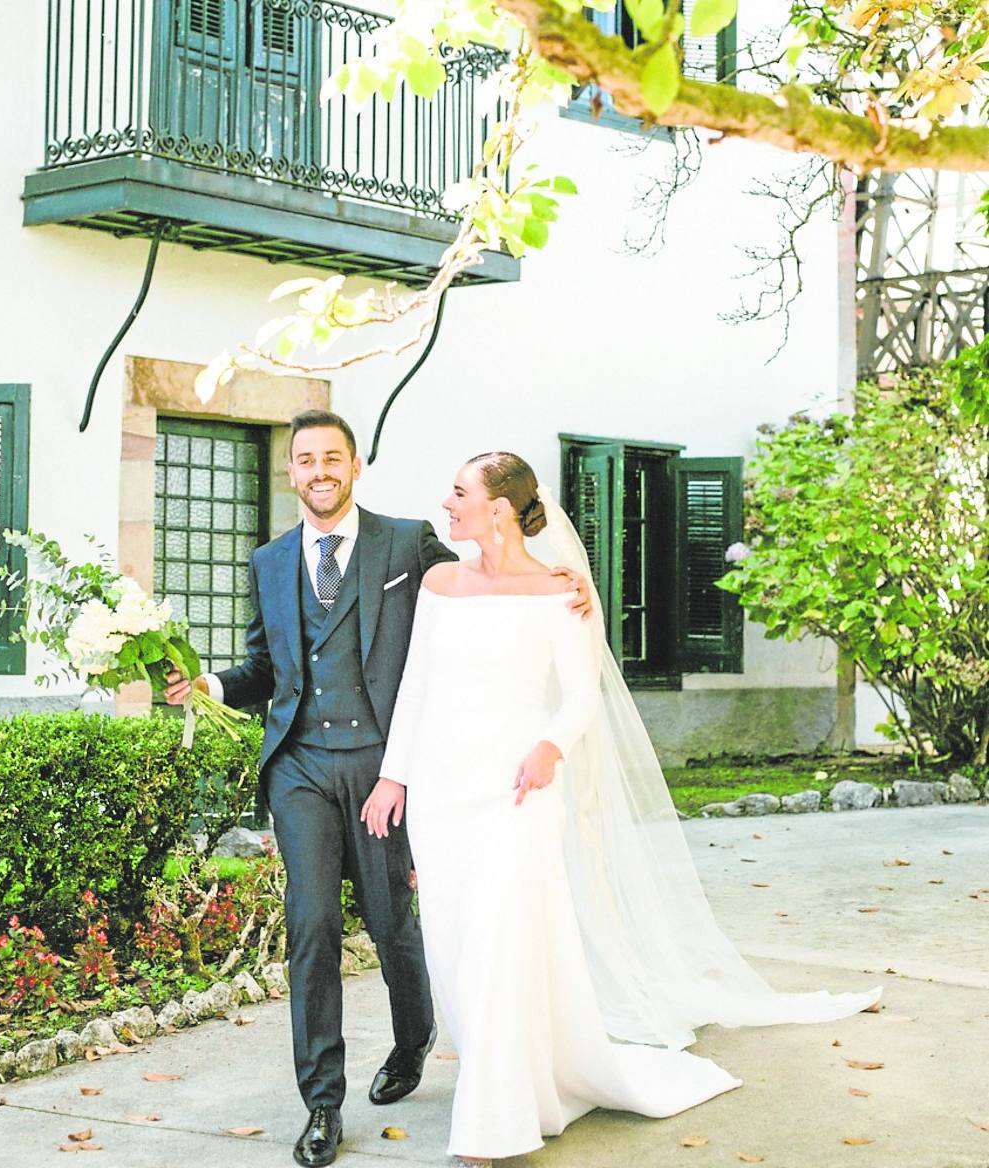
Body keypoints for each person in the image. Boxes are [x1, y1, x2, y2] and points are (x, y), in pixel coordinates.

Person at [361, 451, 882, 1163]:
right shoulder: (439, 582)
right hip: (442, 794)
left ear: (501, 509)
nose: (445, 504)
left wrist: (548, 746)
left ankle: (490, 1126)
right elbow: (416, 687)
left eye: (458, 493)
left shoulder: (560, 593)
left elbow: (580, 697)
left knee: (501, 943)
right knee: (455, 951)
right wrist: (394, 779)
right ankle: (523, 1082)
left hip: (517, 791)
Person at [164, 414, 591, 1167]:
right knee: (312, 924)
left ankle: (410, 1037)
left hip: (383, 761)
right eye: (305, 459)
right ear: (291, 472)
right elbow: (264, 667)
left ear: (355, 467)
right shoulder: (267, 561)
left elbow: (490, 570)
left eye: (332, 457)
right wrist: (209, 683)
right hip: (299, 764)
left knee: (393, 920)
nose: (318, 469)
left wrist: (566, 587)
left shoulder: (406, 541)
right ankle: (321, 1103)